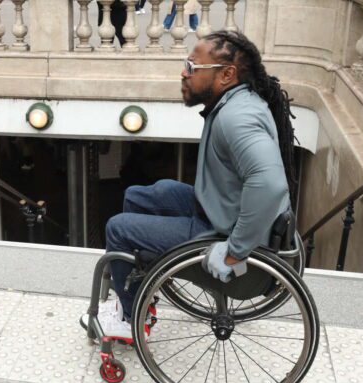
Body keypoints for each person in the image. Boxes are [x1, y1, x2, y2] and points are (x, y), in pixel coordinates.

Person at [83, 30, 297, 338]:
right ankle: (140, 290)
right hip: (225, 214)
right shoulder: (236, 101)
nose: (184, 72)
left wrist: (235, 251)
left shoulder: (236, 118)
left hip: (238, 249)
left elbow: (269, 184)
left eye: (192, 66)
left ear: (227, 74)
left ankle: (131, 320)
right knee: (139, 195)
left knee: (118, 228)